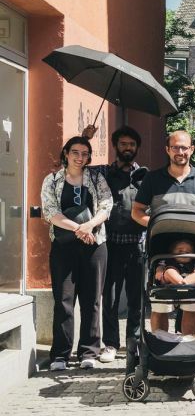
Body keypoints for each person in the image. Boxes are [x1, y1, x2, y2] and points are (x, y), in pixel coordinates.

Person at [131, 131, 195, 336]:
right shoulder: (153, 179)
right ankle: (160, 343)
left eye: (184, 147)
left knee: (192, 304)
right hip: (161, 250)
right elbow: (136, 211)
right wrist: (155, 225)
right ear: (167, 150)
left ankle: (188, 347)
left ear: (191, 149)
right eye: (175, 147)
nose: (180, 152)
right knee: (160, 305)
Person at [42, 136, 112, 370]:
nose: (80, 157)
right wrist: (79, 229)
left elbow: (106, 205)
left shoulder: (96, 178)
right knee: (63, 300)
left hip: (94, 246)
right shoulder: (52, 180)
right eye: (75, 152)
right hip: (64, 247)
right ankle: (61, 354)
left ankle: (88, 351)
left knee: (92, 299)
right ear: (66, 153)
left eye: (85, 153)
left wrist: (90, 225)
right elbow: (51, 212)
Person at [84, 125, 147, 364]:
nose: (127, 148)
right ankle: (110, 344)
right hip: (109, 245)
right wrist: (84, 138)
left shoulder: (145, 176)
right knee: (109, 298)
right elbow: (72, 163)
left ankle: (135, 342)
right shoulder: (102, 173)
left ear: (137, 148)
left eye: (131, 144)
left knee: (136, 298)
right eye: (123, 144)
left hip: (137, 245)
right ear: (115, 146)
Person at [150, 239, 195, 337]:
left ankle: (183, 283)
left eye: (188, 252)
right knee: (169, 271)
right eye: (180, 251)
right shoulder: (167, 260)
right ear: (172, 252)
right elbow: (160, 267)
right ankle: (180, 283)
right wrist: (159, 271)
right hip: (168, 281)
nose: (183, 253)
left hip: (188, 283)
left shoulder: (194, 263)